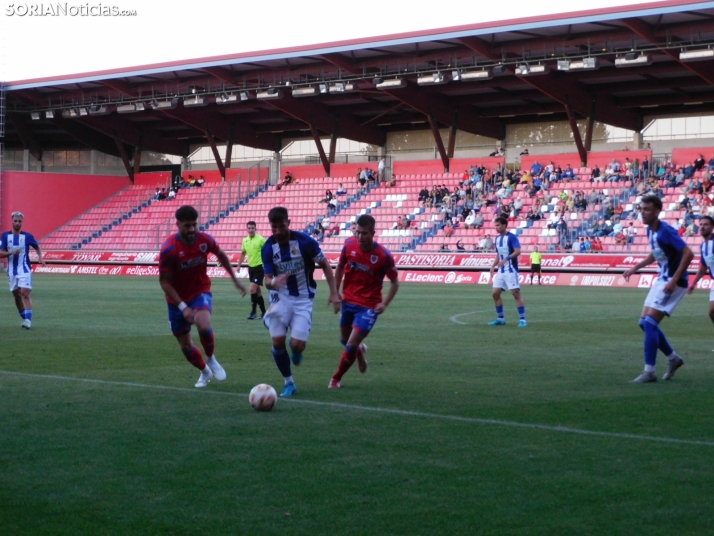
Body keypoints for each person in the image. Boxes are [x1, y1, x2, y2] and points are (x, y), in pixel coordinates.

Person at [159, 205, 247, 388]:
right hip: (176, 301)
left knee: (203, 323)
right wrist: (183, 307)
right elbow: (164, 282)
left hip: (200, 291)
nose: (191, 230)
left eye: (194, 225)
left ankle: (211, 358)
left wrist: (235, 280)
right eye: (187, 226)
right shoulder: (169, 249)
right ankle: (205, 371)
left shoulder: (205, 240)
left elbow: (221, 255)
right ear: (177, 225)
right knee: (185, 346)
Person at [262, 206, 341, 397]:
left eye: (281, 227)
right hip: (279, 298)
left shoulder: (305, 242)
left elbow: (325, 264)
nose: (278, 232)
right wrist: (274, 282)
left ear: (289, 223)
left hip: (303, 299)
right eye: (274, 228)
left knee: (297, 345)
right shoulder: (268, 247)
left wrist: (334, 293)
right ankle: (289, 383)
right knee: (278, 340)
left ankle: (296, 349)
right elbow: (267, 280)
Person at [622, 195, 693, 383]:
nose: (643, 212)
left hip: (673, 282)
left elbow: (689, 253)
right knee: (643, 323)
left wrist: (675, 279)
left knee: (650, 324)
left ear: (657, 211)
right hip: (662, 279)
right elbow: (655, 254)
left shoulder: (666, 231)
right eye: (641, 209)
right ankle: (673, 359)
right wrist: (634, 268)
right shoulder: (650, 231)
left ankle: (650, 371)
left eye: (647, 209)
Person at [328, 215, 400, 389]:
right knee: (345, 341)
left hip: (369, 307)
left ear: (373, 233)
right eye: (358, 232)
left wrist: (385, 304)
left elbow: (395, 282)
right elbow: (339, 269)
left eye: (364, 233)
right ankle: (360, 351)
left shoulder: (383, 256)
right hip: (348, 301)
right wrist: (335, 294)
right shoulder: (349, 245)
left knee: (351, 343)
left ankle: (336, 378)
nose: (360, 237)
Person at [0, 212, 46, 329]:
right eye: (15, 221)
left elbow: (36, 246)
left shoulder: (28, 236)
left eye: (19, 221)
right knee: (16, 295)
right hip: (12, 271)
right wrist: (11, 252)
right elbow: (0, 253)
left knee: (25, 292)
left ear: (22, 222)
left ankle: (28, 321)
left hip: (24, 269)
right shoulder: (5, 236)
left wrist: (40, 256)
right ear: (12, 221)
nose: (17, 223)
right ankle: (25, 316)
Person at [488, 217, 526, 327]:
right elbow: (499, 254)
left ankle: (522, 320)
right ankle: (501, 319)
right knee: (495, 294)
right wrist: (493, 265)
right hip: (501, 271)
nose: (496, 227)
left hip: (511, 270)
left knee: (516, 294)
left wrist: (506, 259)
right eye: (495, 225)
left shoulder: (512, 237)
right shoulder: (497, 239)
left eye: (498, 225)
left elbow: (518, 251)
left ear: (505, 225)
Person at [687, 216, 714, 327]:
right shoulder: (703, 246)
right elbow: (703, 267)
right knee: (712, 312)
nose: (702, 227)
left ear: (712, 227)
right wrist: (693, 283)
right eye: (701, 224)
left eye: (706, 224)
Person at [238, 221, 267, 320]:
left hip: (260, 267)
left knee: (252, 289)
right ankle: (264, 313)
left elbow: (268, 250)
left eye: (252, 228)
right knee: (257, 291)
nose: (251, 230)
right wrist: (239, 265)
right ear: (247, 229)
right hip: (251, 268)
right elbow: (243, 253)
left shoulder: (261, 239)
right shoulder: (245, 240)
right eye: (249, 228)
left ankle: (253, 312)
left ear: (255, 229)